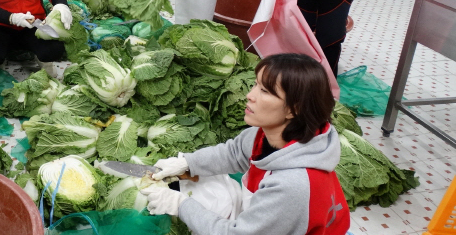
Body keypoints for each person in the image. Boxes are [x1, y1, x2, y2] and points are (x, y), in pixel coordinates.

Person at [141, 53, 350, 234]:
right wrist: (187, 163)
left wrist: (181, 205)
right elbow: (233, 153)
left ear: (293, 109)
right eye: (255, 85)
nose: (250, 96)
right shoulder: (266, 134)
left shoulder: (292, 184)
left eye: (265, 91)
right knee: (203, 185)